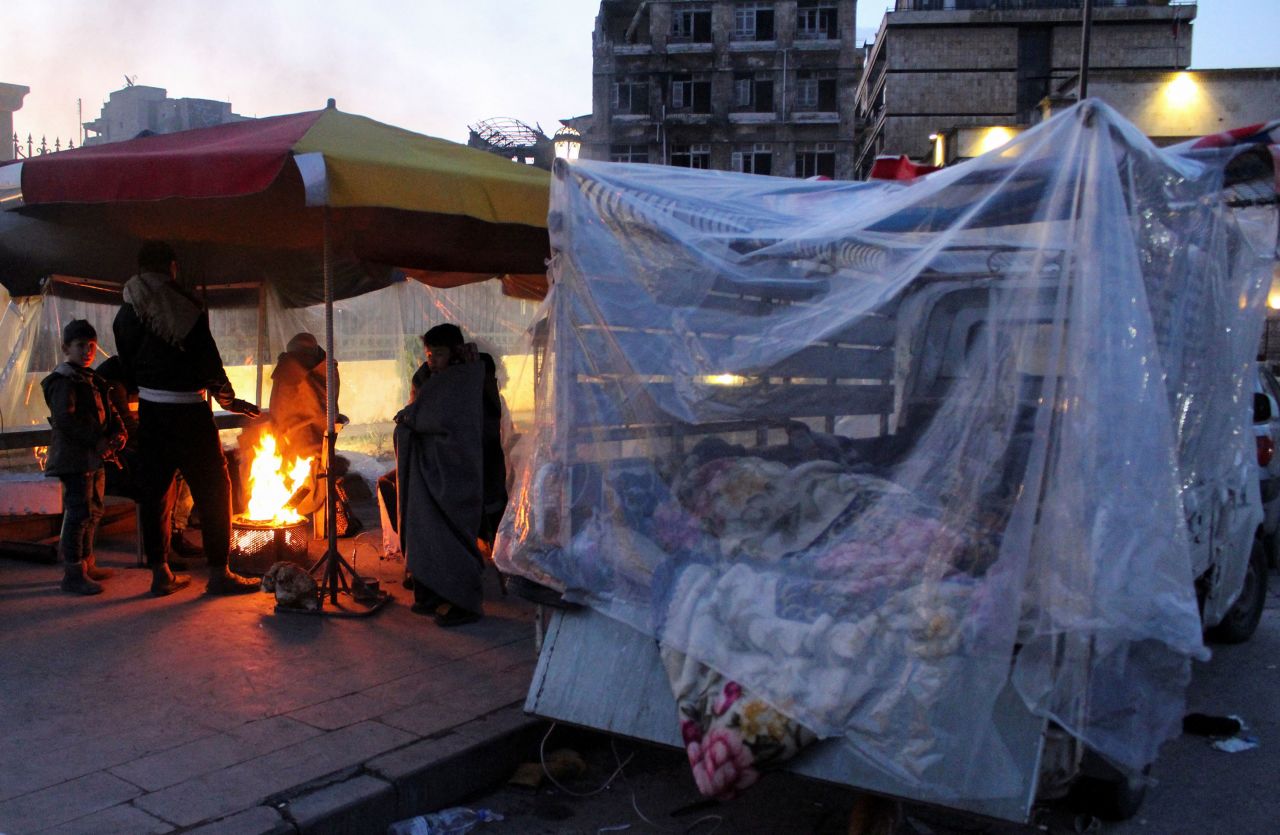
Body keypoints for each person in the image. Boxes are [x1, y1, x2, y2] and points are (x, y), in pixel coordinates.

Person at [113, 240, 261, 597]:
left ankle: (160, 572)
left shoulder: (126, 313)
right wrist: (229, 400)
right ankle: (218, 572)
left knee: (156, 492)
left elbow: (127, 367)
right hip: (189, 414)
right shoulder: (185, 308)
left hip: (151, 412)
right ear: (172, 268)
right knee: (214, 489)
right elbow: (208, 364)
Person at [394, 323, 505, 627]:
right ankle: (429, 592)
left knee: (453, 536)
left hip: (460, 469)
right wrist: (410, 422)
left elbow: (458, 421)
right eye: (429, 354)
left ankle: (463, 602)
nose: (432, 360)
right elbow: (419, 410)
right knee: (423, 531)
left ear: (455, 352)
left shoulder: (469, 377)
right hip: (427, 469)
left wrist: (414, 421)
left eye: (439, 354)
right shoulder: (426, 376)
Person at [41, 319, 128, 596]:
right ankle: (73, 572)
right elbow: (66, 420)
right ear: (66, 347)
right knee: (78, 513)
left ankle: (87, 564)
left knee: (94, 510)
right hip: (76, 459)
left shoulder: (93, 379)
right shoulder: (64, 381)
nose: (87, 351)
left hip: (94, 457)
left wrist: (119, 432)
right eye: (81, 346)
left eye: (92, 346)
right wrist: (98, 441)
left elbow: (110, 412)